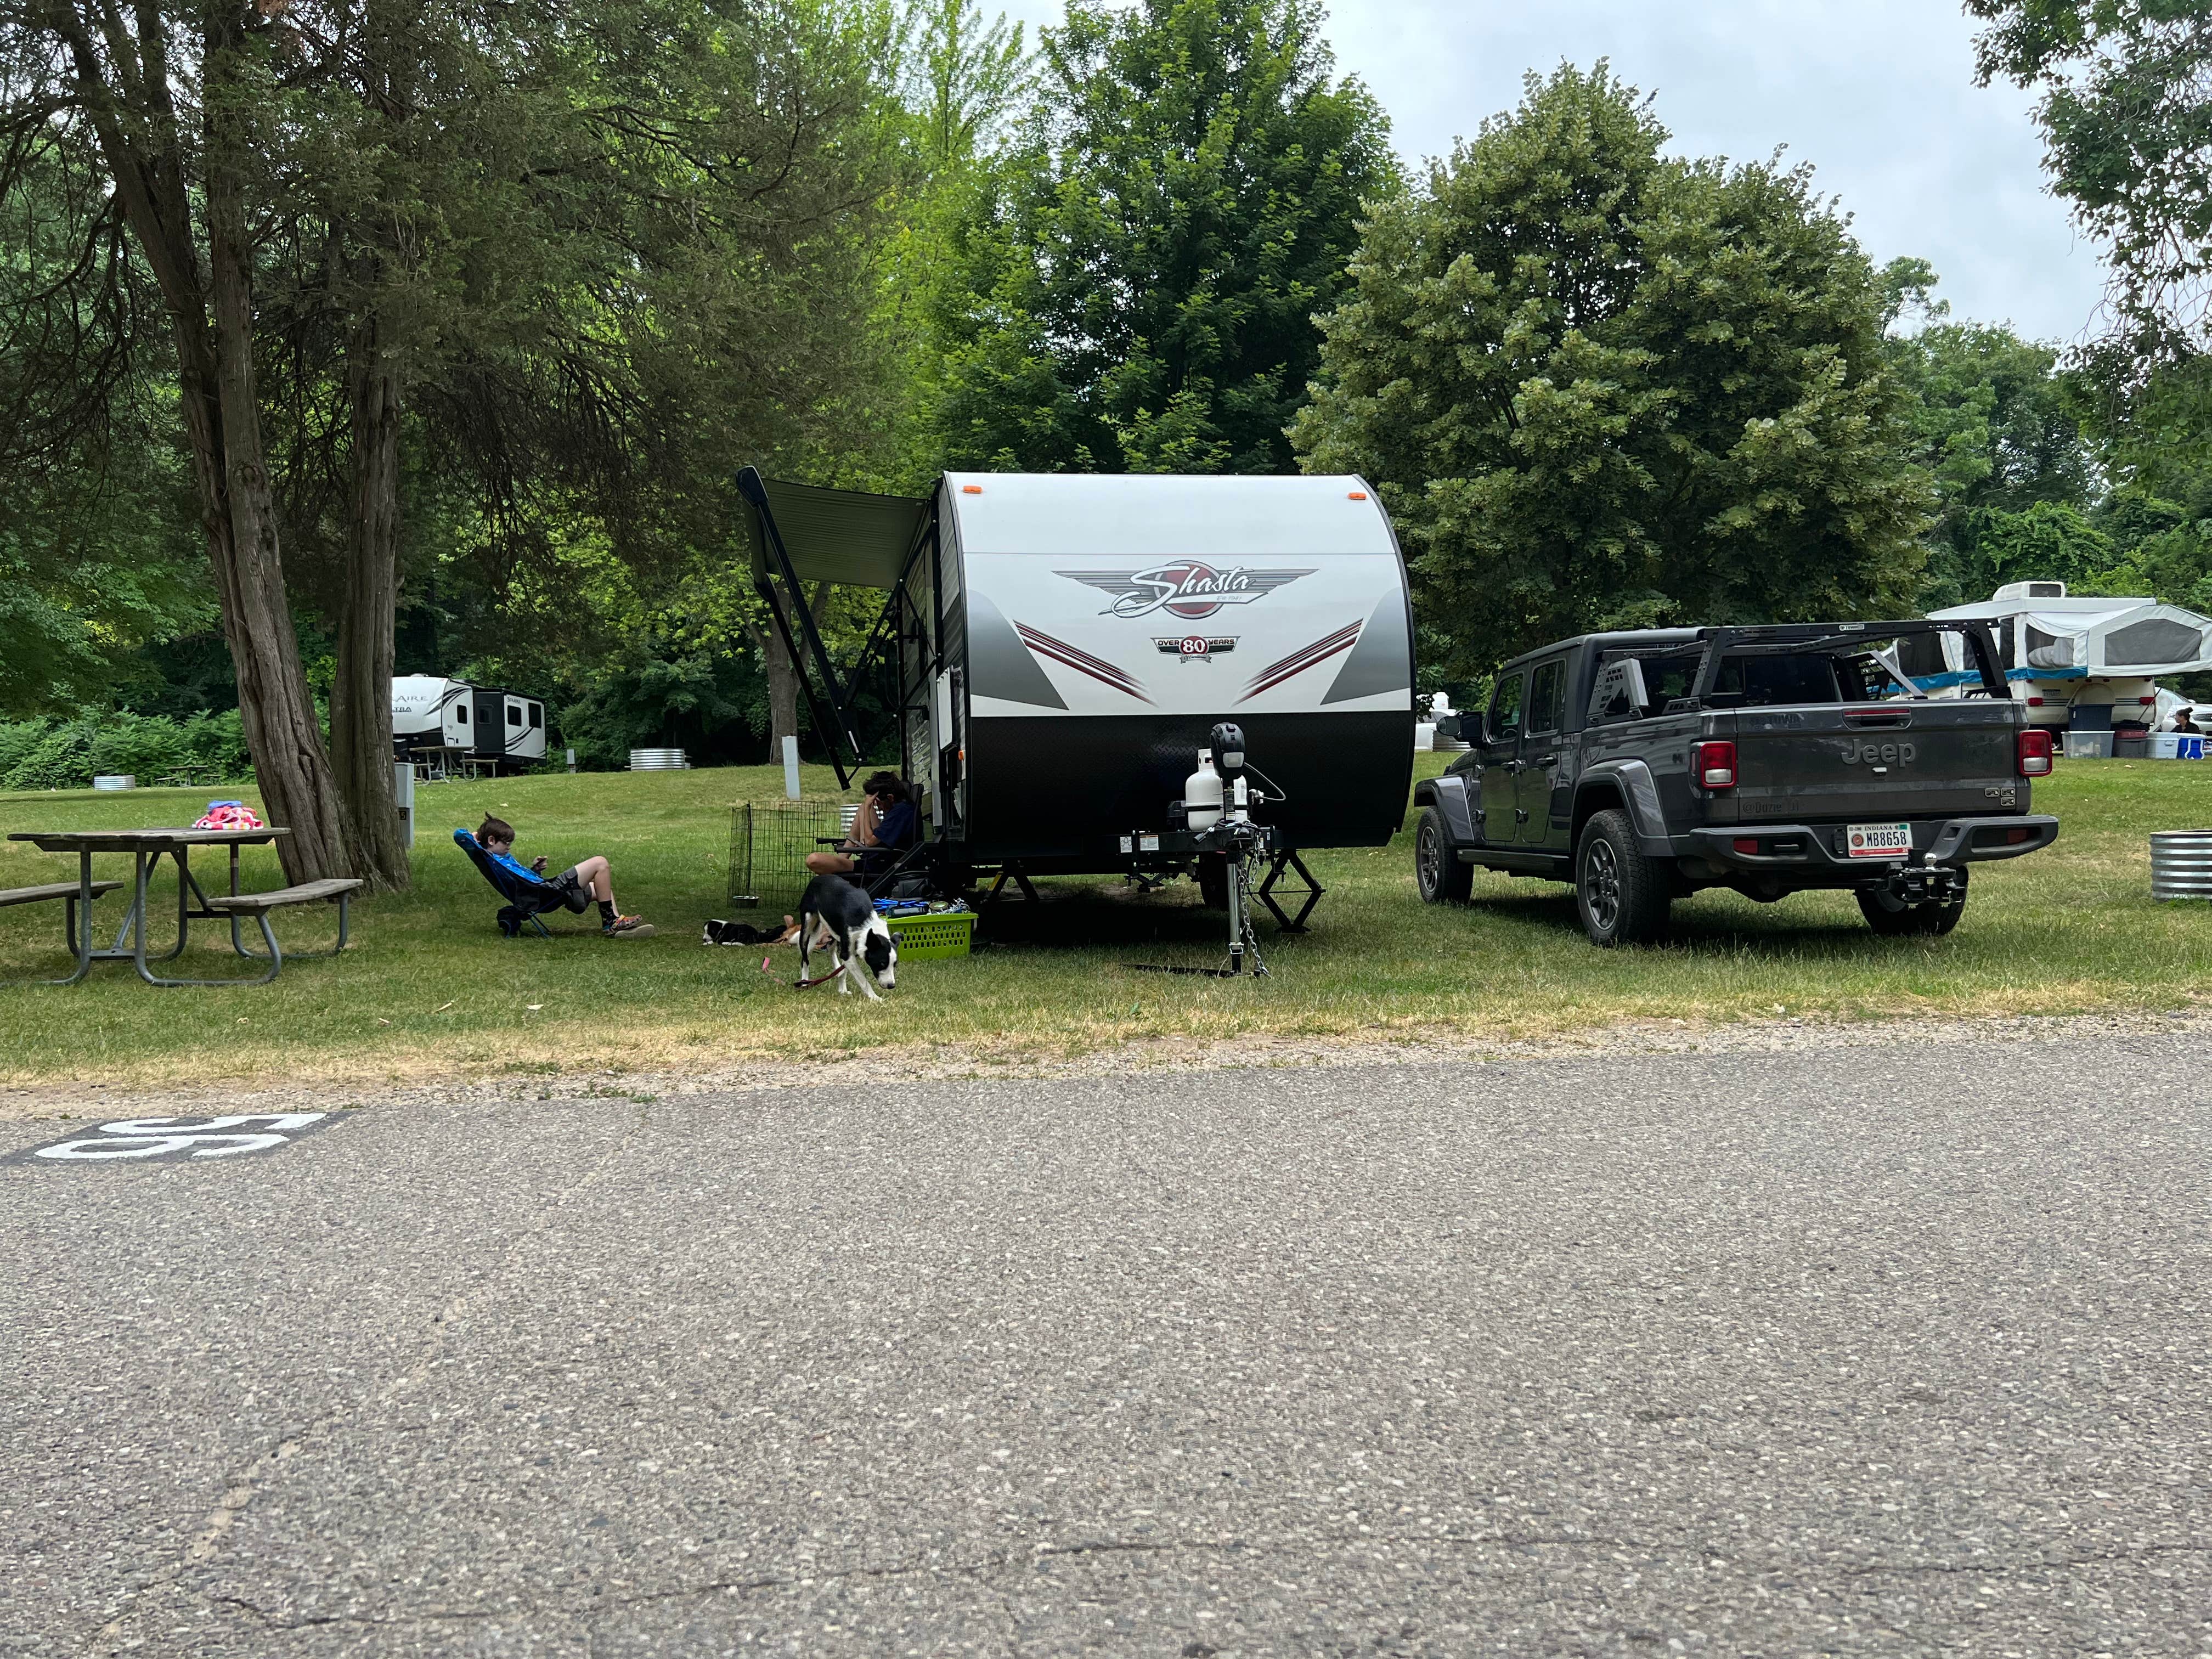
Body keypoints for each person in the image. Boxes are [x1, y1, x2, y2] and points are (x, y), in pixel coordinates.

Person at [476, 815, 652, 937]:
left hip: (542, 891)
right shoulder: (493, 859)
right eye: (506, 843)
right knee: (600, 863)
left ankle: (613, 925)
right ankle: (612, 921)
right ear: (491, 841)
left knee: (601, 888)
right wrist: (476, 836)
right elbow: (460, 834)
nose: (509, 847)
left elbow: (522, 882)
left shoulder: (500, 859)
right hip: (547, 892)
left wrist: (535, 870)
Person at [806, 772, 919, 881]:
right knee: (863, 807)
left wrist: (867, 808)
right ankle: (841, 861)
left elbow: (869, 841)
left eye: (878, 803)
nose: (878, 808)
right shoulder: (901, 809)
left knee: (814, 860)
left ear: (890, 798)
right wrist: (866, 807)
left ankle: (840, 865)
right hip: (877, 857)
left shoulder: (900, 813)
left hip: (877, 867)